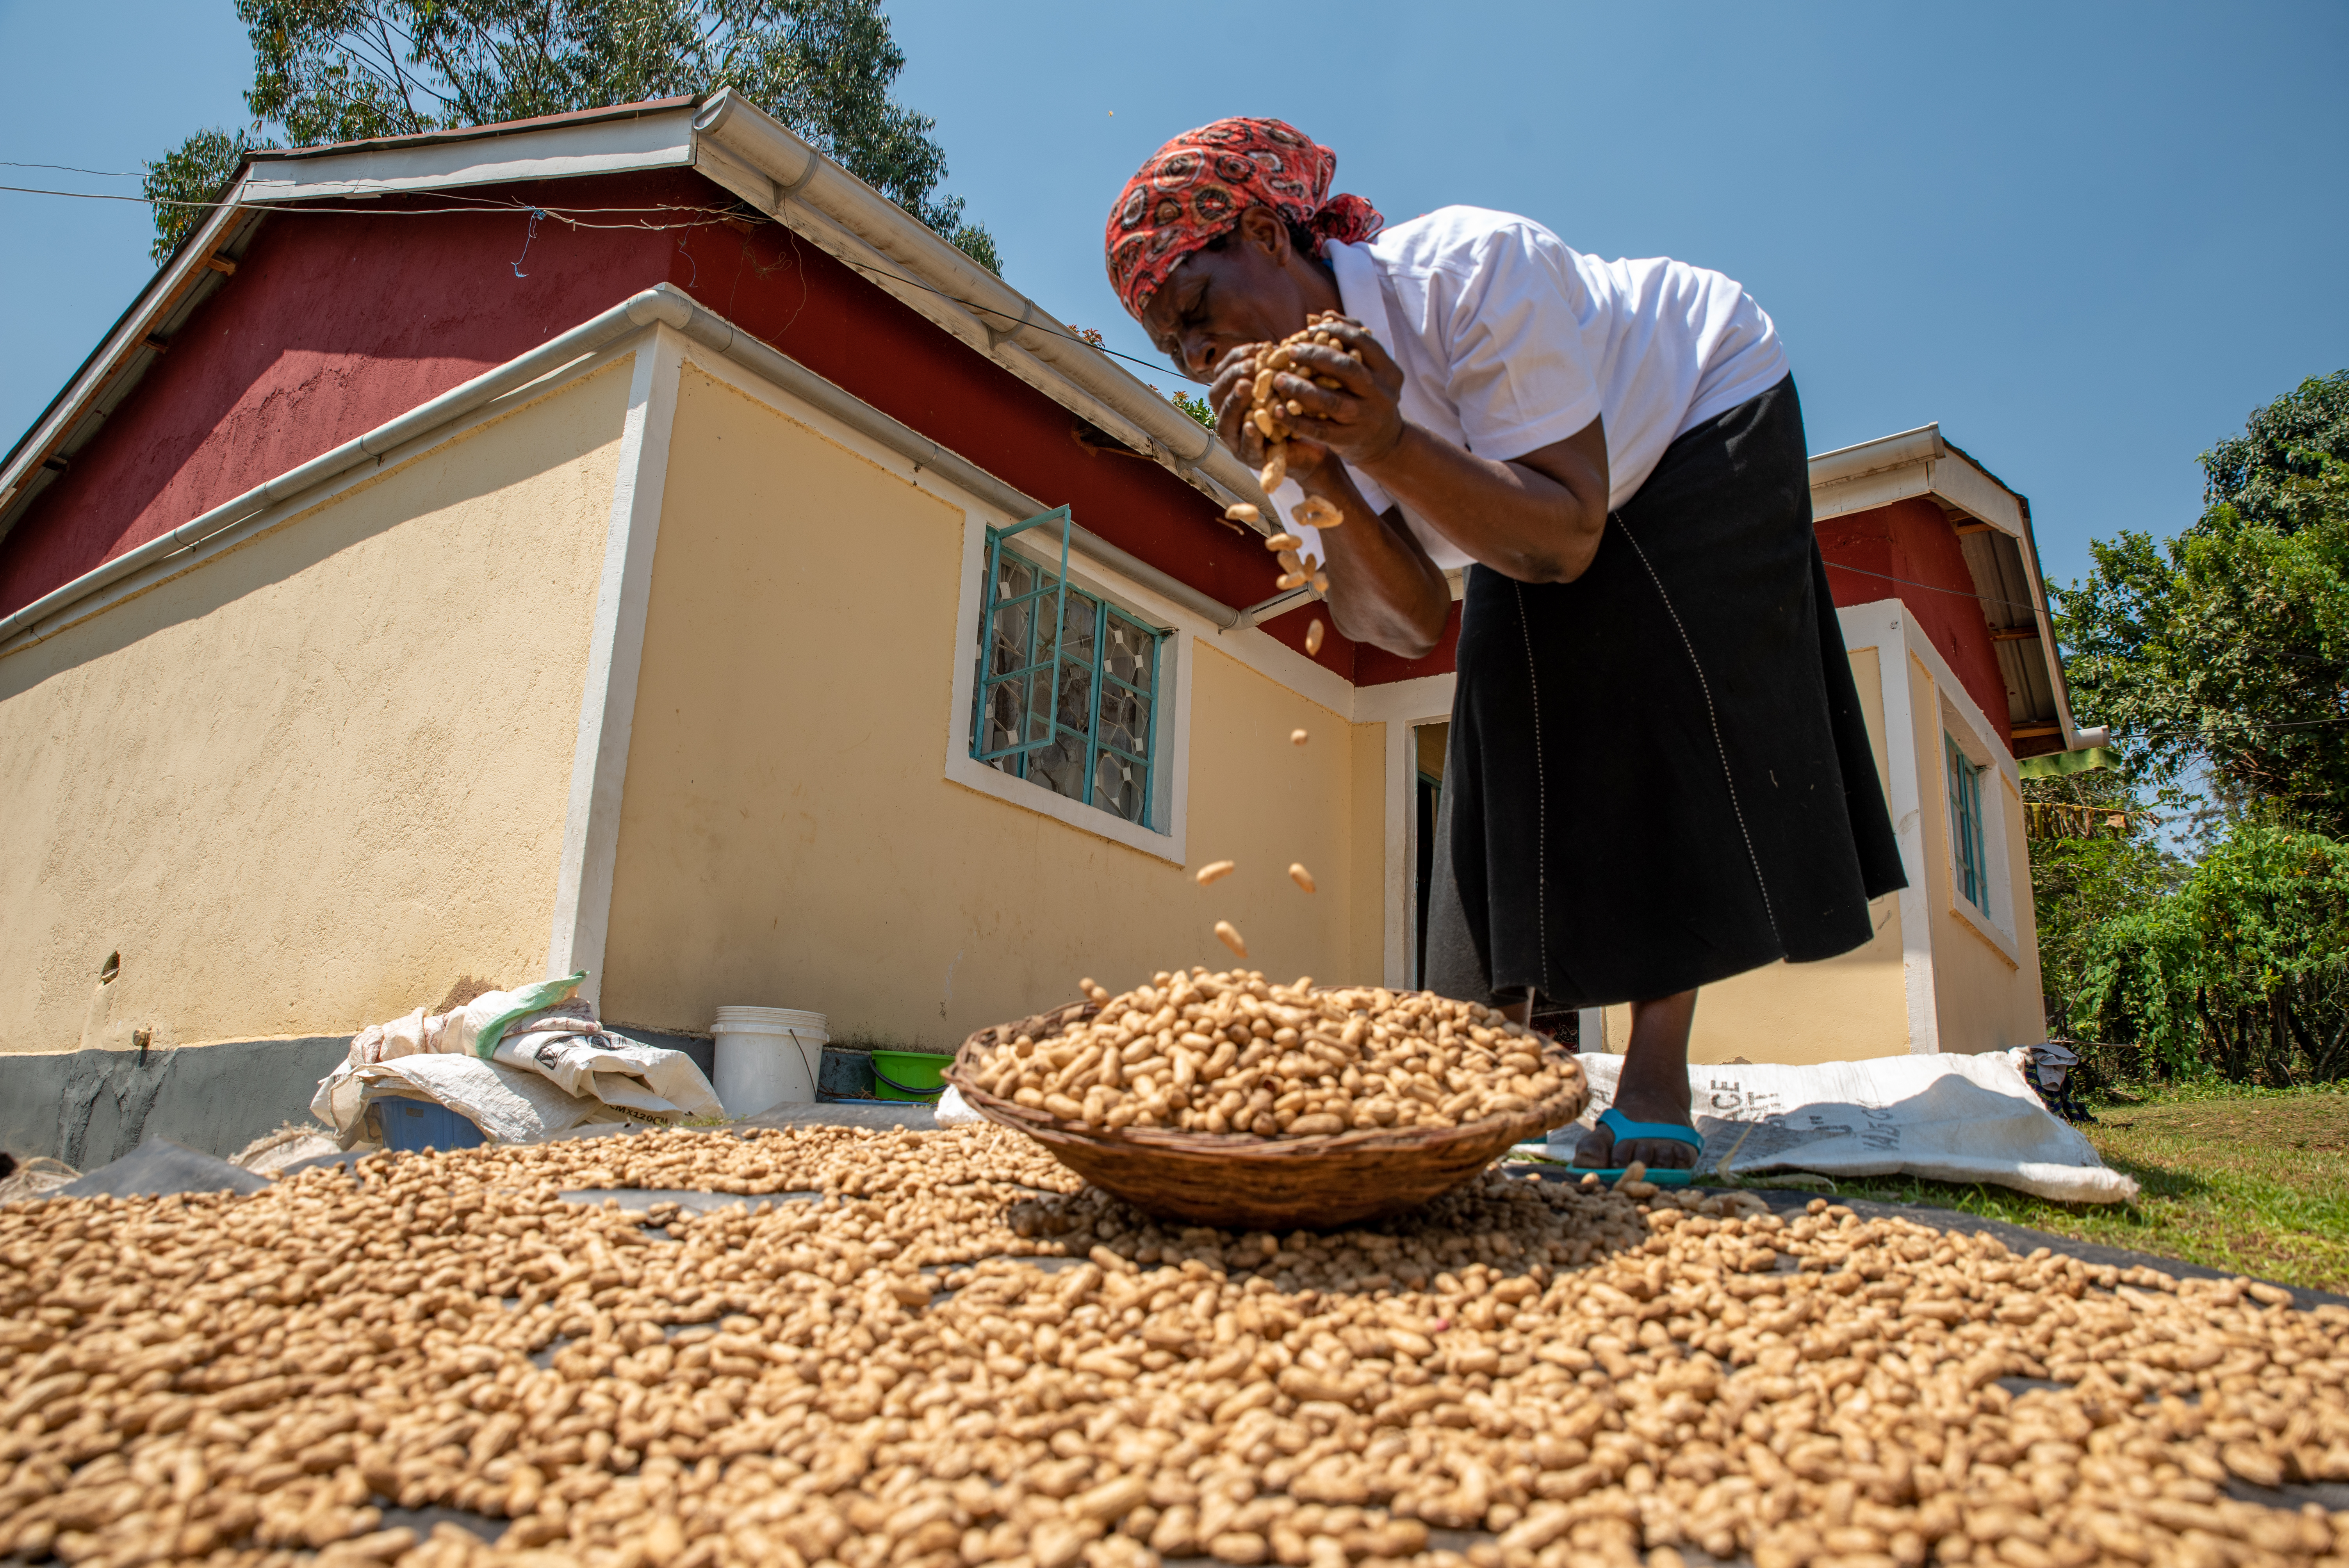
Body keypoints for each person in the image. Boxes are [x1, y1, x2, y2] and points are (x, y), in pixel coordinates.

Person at [1105, 118, 1906, 1176]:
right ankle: (1491, 1063)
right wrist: (1327, 475)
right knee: (1501, 700)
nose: (1203, 357)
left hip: (1696, 402)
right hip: (1532, 500)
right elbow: (1401, 624)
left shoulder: (1470, 272)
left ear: (1265, 229)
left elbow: (1569, 532)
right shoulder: (1287, 440)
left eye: (1201, 313)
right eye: (1180, 350)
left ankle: (1656, 1078)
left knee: (1658, 673)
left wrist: (1385, 438)